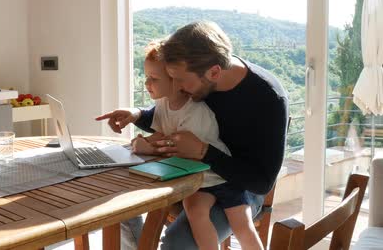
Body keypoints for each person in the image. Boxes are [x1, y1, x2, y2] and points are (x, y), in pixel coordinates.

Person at [96, 21, 289, 249]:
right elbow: (175, 117)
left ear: (214, 72)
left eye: (179, 79)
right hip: (193, 174)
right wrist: (137, 115)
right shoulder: (198, 82)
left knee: (178, 244)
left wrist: (203, 152)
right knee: (119, 203)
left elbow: (261, 183)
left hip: (241, 187)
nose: (175, 86)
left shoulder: (267, 98)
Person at [136, 39, 264, 249]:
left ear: (176, 81)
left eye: (153, 78)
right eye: (147, 76)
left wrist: (149, 148)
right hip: (198, 181)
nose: (146, 83)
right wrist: (145, 141)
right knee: (196, 214)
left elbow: (176, 145)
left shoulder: (194, 111)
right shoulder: (162, 105)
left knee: (242, 224)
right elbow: (161, 132)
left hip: (222, 177)